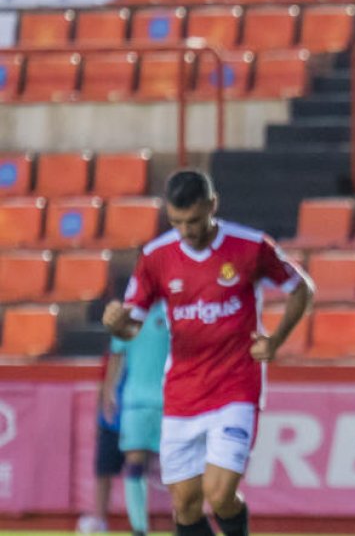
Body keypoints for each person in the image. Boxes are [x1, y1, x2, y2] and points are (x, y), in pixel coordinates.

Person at [103, 170, 314, 536]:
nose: (187, 230)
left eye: (195, 221)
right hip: (183, 392)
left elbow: (301, 289)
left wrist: (276, 340)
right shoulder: (156, 257)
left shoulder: (250, 247)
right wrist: (116, 323)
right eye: (177, 222)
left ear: (212, 205)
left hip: (236, 386)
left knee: (219, 494)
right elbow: (132, 324)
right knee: (184, 505)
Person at [110, 299, 170, 536]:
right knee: (134, 464)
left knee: (179, 466)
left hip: (171, 402)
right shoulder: (129, 316)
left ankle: (186, 522)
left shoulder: (174, 311)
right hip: (135, 402)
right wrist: (109, 391)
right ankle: (139, 529)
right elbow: (117, 354)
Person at [77, 350, 124, 534]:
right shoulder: (113, 352)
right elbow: (103, 383)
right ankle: (99, 519)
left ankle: (140, 523)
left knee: (138, 471)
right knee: (103, 471)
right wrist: (99, 417)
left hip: (138, 415)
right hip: (111, 420)